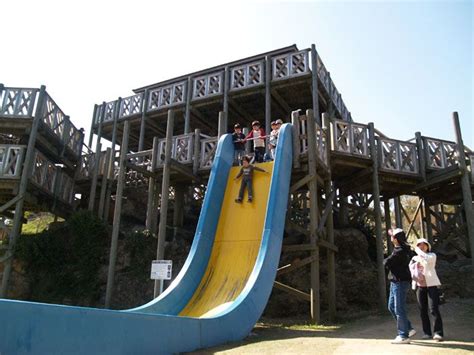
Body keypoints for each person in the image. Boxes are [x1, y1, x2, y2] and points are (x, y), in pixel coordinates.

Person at [384, 228, 416, 344]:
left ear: (396, 239)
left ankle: (403, 335)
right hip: (396, 281)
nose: (391, 238)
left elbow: (387, 262)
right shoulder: (403, 249)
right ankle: (408, 328)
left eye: (392, 236)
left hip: (400, 282)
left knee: (399, 308)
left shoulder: (400, 251)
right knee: (391, 306)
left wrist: (387, 261)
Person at [409, 238, 444, 341]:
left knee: (434, 309)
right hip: (420, 286)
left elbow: (427, 260)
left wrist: (417, 250)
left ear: (428, 246)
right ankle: (427, 333)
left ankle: (438, 332)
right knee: (422, 310)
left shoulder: (432, 256)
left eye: (424, 244)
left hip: (432, 286)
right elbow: (410, 269)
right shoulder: (414, 258)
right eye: (419, 244)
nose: (422, 246)